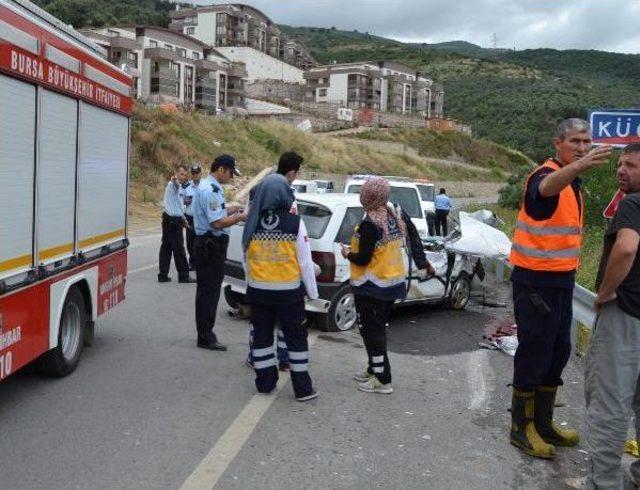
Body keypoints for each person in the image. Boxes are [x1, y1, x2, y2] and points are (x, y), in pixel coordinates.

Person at [508, 118, 612, 459]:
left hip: (561, 281)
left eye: (586, 142)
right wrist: (579, 166)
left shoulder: (574, 185)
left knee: (557, 353)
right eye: (575, 142)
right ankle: (521, 429)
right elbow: (544, 189)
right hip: (535, 281)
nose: (582, 148)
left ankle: (544, 422)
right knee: (534, 352)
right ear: (558, 144)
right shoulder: (545, 175)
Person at [585, 143, 640, 488]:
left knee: (610, 406)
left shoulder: (633, 204)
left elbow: (627, 247)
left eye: (631, 165)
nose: (621, 170)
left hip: (625, 317)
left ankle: (603, 483)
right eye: (620, 164)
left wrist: (605, 292)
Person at [242, 173, 319, 402]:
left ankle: (265, 384)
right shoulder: (295, 222)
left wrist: (252, 285)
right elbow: (305, 262)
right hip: (288, 295)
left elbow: (246, 258)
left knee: (262, 339)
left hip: (258, 292)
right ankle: (303, 389)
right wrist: (313, 293)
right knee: (296, 340)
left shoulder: (252, 222)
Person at [341, 177, 409, 394]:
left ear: (369, 196)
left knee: (372, 332)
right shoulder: (391, 217)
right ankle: (373, 368)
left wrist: (347, 253)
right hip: (390, 284)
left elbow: (362, 259)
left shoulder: (371, 224)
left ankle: (382, 379)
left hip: (373, 287)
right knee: (373, 330)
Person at [245, 151, 305, 371]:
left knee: (263, 320)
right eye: (297, 172)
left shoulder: (263, 189)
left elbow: (248, 224)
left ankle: (275, 357)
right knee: (271, 320)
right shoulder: (280, 193)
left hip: (261, 264)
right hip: (274, 265)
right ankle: (272, 357)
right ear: (291, 171)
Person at [193, 155, 246, 351]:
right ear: (222, 169)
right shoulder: (211, 190)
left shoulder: (209, 187)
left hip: (207, 245)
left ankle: (204, 333)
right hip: (211, 246)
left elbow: (217, 212)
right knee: (210, 293)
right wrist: (241, 216)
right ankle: (206, 337)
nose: (232, 177)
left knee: (206, 291)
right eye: (231, 173)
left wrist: (232, 209)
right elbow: (216, 222)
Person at [158, 165, 195, 284]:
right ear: (176, 174)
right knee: (179, 249)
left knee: (166, 248)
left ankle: (163, 275)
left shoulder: (179, 189)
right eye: (181, 174)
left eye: (185, 175)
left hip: (172, 219)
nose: (183, 177)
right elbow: (175, 182)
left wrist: (183, 218)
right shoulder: (173, 184)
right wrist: (174, 179)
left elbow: (178, 205)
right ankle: (184, 276)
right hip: (172, 221)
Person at [184, 164, 202, 271]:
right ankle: (192, 262)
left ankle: (198, 262)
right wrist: (184, 201)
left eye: (197, 173)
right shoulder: (187, 186)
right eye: (193, 173)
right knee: (190, 241)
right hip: (189, 217)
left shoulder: (205, 186)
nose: (195, 175)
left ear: (200, 174)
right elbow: (180, 199)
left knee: (199, 240)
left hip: (200, 218)